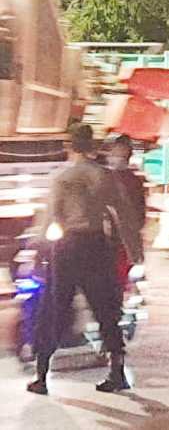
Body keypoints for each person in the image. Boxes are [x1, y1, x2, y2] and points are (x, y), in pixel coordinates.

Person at [27, 124, 130, 395]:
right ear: (92, 145)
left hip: (68, 247)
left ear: (69, 146)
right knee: (106, 310)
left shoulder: (62, 178)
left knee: (54, 310)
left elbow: (50, 217)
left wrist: (38, 251)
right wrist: (132, 251)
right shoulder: (103, 176)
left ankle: (41, 376)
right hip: (96, 245)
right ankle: (117, 372)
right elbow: (123, 213)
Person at [105, 134, 146, 291]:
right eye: (115, 152)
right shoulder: (103, 177)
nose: (117, 155)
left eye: (121, 152)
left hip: (127, 238)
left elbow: (139, 212)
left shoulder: (133, 181)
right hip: (107, 237)